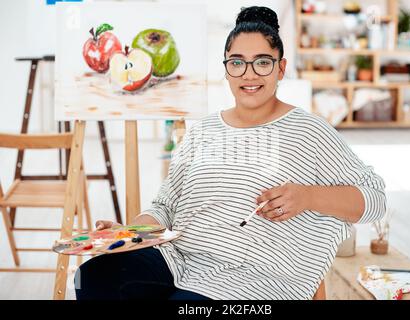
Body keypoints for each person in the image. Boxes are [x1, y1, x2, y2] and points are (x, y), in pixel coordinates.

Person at [75, 6, 386, 300]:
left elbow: (376, 200)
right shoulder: (203, 131)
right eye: (237, 62)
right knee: (92, 276)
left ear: (281, 68)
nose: (248, 74)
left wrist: (308, 197)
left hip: (252, 279)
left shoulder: (310, 131)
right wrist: (130, 235)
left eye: (262, 62)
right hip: (177, 260)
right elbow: (165, 206)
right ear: (226, 68)